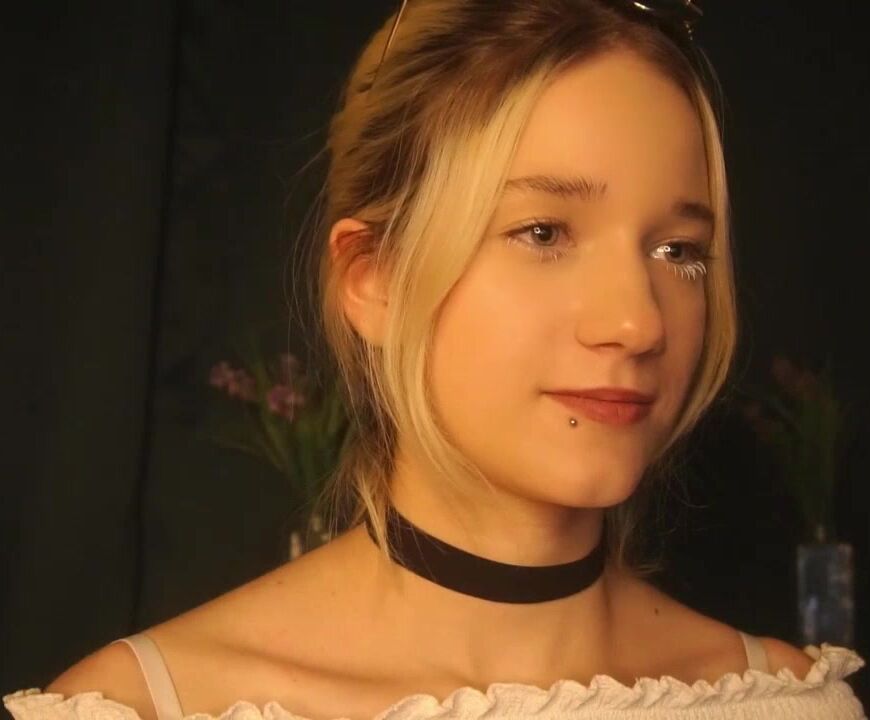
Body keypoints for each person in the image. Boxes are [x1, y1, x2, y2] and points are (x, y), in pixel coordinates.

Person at [4, 1, 866, 718]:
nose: (638, 323)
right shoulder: (147, 708)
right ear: (375, 278)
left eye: (679, 251)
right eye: (543, 232)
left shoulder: (788, 704)